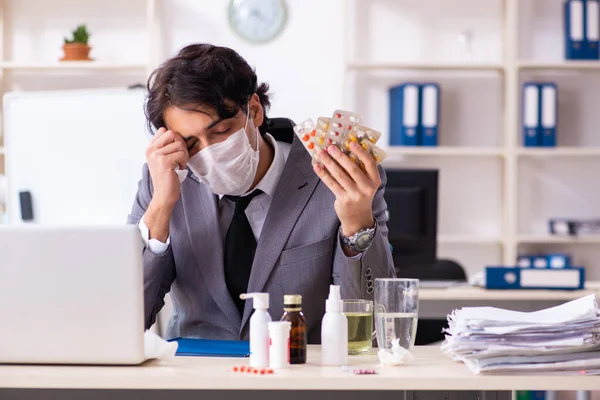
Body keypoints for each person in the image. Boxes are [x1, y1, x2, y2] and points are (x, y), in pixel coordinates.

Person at [127, 43, 396, 343]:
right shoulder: (162, 182)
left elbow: (369, 325)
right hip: (199, 378)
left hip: (300, 377)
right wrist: (161, 205)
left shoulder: (336, 179)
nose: (210, 153)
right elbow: (124, 322)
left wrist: (357, 227)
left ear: (253, 110)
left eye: (221, 131)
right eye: (190, 144)